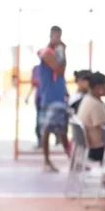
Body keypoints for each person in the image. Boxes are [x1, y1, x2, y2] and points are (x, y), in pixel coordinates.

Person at [37, 25, 70, 172]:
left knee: (62, 131)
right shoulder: (46, 52)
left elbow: (61, 72)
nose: (58, 40)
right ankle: (46, 161)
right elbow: (60, 69)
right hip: (49, 98)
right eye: (56, 36)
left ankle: (72, 159)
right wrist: (62, 51)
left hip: (59, 96)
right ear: (51, 36)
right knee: (47, 130)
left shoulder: (57, 53)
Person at [75, 72, 105, 165]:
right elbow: (104, 128)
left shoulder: (87, 99)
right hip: (97, 149)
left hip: (87, 146)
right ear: (99, 88)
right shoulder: (95, 105)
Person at [25, 64, 42, 148]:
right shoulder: (36, 68)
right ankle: (40, 141)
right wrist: (28, 96)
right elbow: (33, 84)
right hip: (40, 99)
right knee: (39, 120)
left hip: (47, 99)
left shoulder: (53, 67)